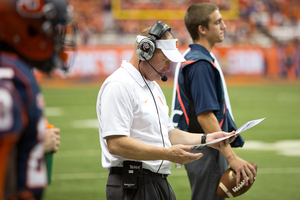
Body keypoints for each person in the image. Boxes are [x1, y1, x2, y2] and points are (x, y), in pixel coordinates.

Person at [96, 21, 238, 200]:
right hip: (132, 185)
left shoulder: (153, 86)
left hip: (157, 182)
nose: (168, 68)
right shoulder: (119, 85)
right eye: (165, 60)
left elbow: (168, 134)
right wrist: (167, 154)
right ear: (145, 51)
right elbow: (116, 144)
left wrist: (207, 138)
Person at [171, 3, 257, 200]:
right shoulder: (200, 63)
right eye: (217, 22)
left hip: (202, 146)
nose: (224, 26)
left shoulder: (194, 57)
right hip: (207, 148)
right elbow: (205, 116)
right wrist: (232, 157)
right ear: (202, 29)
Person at [0, 0, 76, 199]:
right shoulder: (14, 78)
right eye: (50, 29)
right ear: (27, 28)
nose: (56, 38)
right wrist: (36, 143)